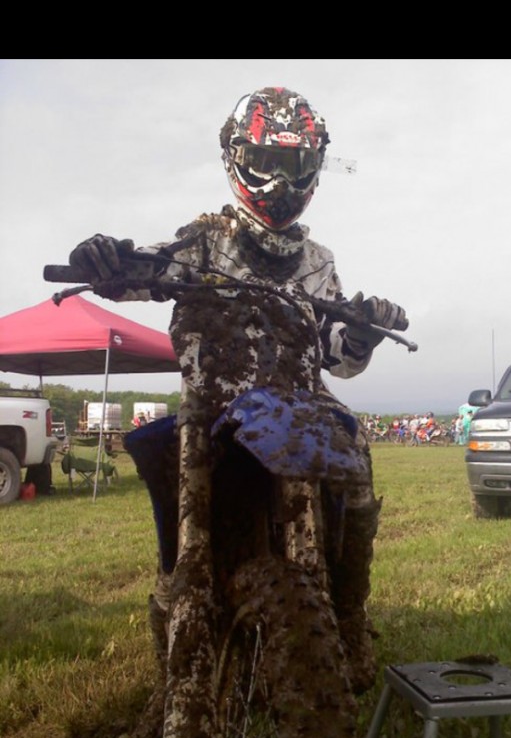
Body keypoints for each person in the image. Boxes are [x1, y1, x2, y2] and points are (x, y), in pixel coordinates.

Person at [67, 86, 409, 700]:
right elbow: (152, 267)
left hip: (300, 401)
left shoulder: (318, 261)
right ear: (236, 158)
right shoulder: (205, 240)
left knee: (357, 453)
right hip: (214, 402)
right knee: (171, 490)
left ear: (315, 168)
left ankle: (350, 612)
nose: (280, 181)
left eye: (295, 165)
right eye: (267, 163)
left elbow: (335, 355)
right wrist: (108, 260)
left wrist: (360, 333)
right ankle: (173, 609)